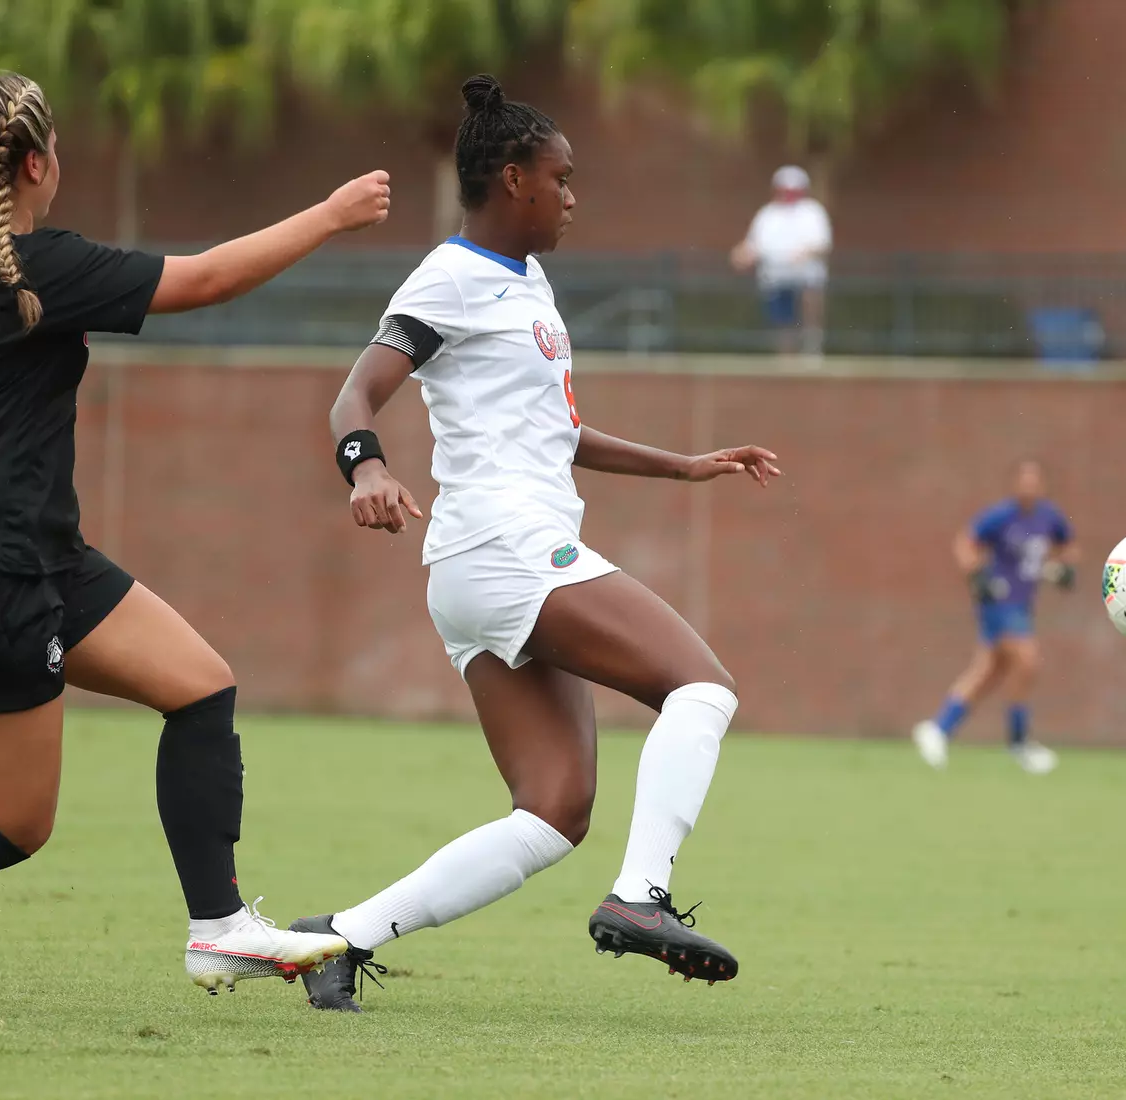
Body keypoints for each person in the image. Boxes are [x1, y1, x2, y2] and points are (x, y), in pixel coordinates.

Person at [0, 73, 392, 1009]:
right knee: (11, 825)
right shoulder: (37, 265)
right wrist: (333, 213)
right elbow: (209, 278)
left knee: (200, 685)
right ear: (34, 164)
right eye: (56, 149)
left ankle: (219, 929)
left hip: (39, 556)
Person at [291, 74, 782, 1012]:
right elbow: (354, 395)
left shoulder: (528, 280)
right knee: (702, 687)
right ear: (512, 178)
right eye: (560, 178)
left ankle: (340, 943)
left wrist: (682, 466)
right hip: (504, 549)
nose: (570, 196)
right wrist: (367, 470)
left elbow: (557, 429)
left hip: (483, 566)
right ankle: (640, 899)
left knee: (553, 812)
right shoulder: (449, 275)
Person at [911, 460, 1075, 776]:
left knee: (990, 671)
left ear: (1042, 485)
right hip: (1000, 603)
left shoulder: (1049, 518)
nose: (1028, 485)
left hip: (1023, 606)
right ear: (1015, 484)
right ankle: (1018, 742)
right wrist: (976, 575)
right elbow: (965, 544)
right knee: (1027, 661)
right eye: (1023, 479)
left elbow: (1069, 548)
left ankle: (937, 729)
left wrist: (1064, 569)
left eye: (1034, 480)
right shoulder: (1001, 516)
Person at [730, 165, 832, 356]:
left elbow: (822, 244)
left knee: (809, 314)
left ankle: (812, 354)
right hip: (776, 278)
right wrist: (742, 254)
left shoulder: (812, 212)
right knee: (782, 324)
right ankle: (786, 360)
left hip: (806, 278)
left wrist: (804, 254)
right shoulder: (767, 215)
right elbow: (753, 245)